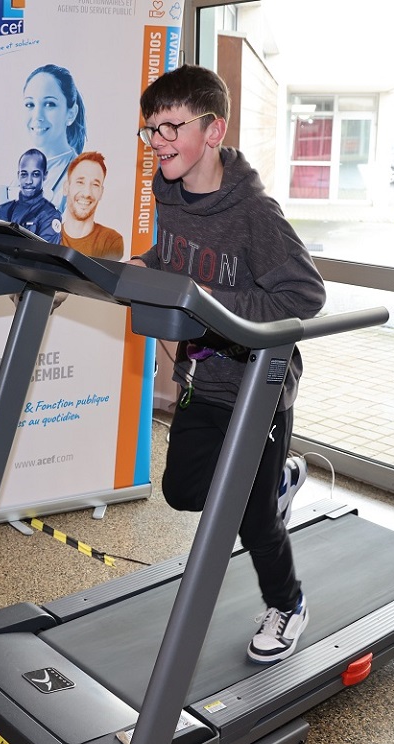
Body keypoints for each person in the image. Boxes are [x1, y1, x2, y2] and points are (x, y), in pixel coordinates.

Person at [129, 64, 326, 665]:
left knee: (248, 512)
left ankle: (288, 604)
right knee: (184, 490)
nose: (158, 141)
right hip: (205, 377)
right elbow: (175, 256)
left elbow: (305, 295)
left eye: (171, 127)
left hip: (257, 383)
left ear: (214, 131)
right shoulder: (170, 194)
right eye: (150, 130)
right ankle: (279, 481)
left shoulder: (254, 215)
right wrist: (139, 268)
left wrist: (203, 299)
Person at [21, 64, 86, 210]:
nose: (37, 116)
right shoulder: (15, 178)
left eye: (49, 104)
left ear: (71, 113)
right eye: (30, 104)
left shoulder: (80, 177)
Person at [59, 151, 124, 261]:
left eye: (95, 185)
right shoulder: (48, 236)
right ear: (66, 187)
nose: (87, 193)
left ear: (101, 192)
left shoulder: (111, 241)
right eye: (80, 182)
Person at [0, 149, 62, 243]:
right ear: (18, 175)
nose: (28, 181)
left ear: (45, 175)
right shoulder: (0, 211)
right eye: (24, 174)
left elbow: (44, 254)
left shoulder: (50, 215)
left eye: (35, 174)